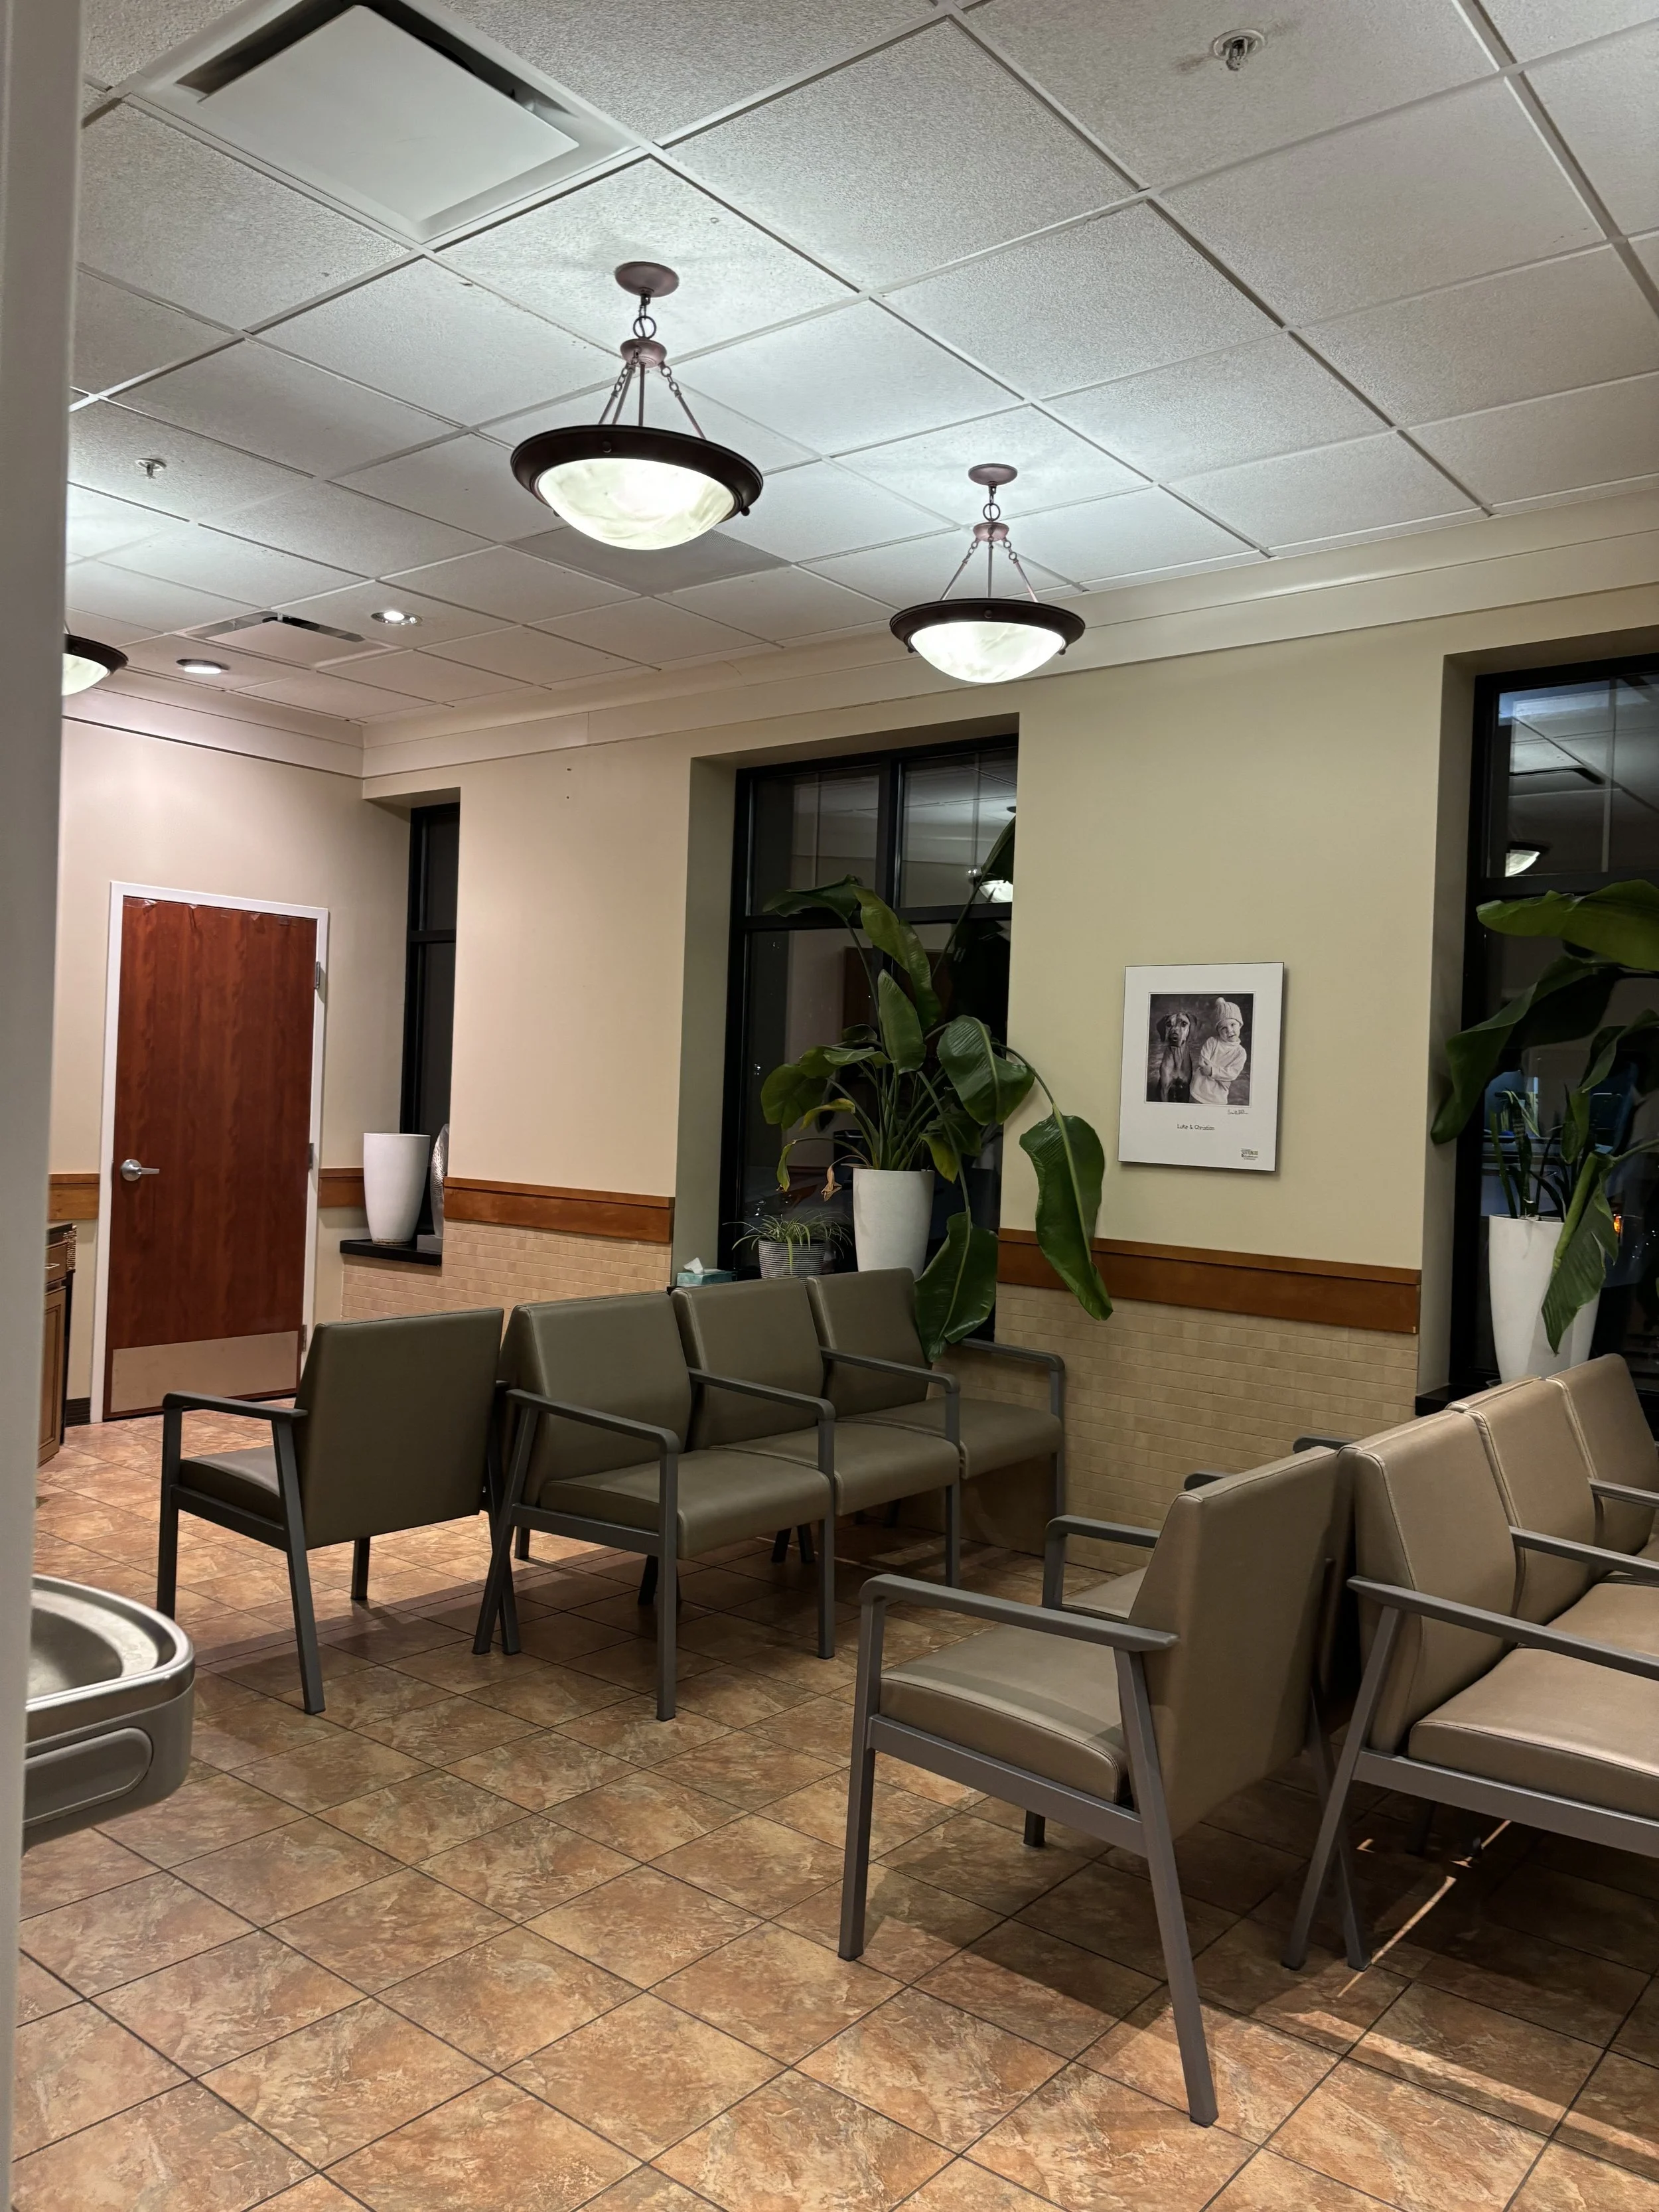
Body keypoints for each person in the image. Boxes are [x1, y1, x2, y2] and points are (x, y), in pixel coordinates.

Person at [1190, 1001, 1248, 1106]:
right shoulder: (1212, 1042)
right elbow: (1203, 1063)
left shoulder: (1240, 1053)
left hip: (1218, 1097)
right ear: (1218, 1031)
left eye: (1233, 1025)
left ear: (1240, 1025)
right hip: (1198, 1090)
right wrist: (1223, 1078)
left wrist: (1212, 1071)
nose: (1229, 1030)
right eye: (1223, 1028)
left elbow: (1232, 1073)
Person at [1147, 1009, 1193, 1102]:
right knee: (1163, 1090)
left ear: (1191, 1028)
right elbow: (1164, 1092)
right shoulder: (1166, 1065)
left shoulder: (1188, 1062)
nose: (1174, 1034)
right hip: (1166, 1097)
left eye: (1183, 1024)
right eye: (1169, 1025)